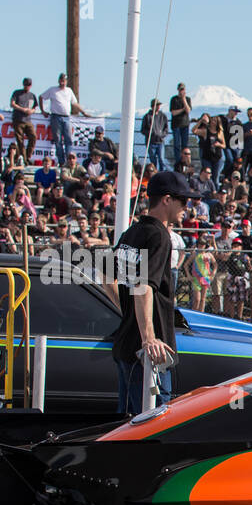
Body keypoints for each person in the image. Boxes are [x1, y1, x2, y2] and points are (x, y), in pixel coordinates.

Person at [108, 171, 201, 413]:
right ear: (167, 200)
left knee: (126, 426)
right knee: (153, 424)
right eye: (183, 201)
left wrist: (128, 313)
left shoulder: (132, 232)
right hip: (149, 353)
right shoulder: (160, 235)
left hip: (127, 346)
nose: (186, 208)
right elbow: (144, 286)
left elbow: (107, 277)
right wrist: (149, 338)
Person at [38, 73, 84, 165]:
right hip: (56, 116)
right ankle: (62, 161)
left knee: (69, 140)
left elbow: (74, 103)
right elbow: (41, 97)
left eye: (64, 81)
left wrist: (84, 112)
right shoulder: (52, 90)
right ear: (59, 81)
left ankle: (69, 160)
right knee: (58, 140)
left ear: (66, 81)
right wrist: (42, 110)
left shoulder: (69, 91)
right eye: (61, 81)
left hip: (66, 117)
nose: (62, 83)